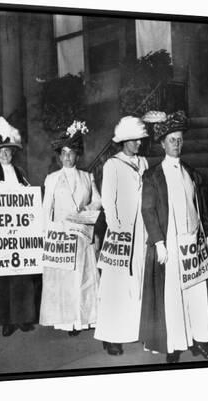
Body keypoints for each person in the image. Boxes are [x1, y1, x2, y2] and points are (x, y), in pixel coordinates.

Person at [140, 111, 208, 363]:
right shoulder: (153, 176)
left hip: (193, 244)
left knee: (197, 293)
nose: (177, 144)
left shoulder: (191, 173)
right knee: (173, 295)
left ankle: (202, 341)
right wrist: (159, 242)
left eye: (179, 139)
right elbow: (148, 210)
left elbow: (201, 208)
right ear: (162, 143)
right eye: (172, 140)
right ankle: (174, 345)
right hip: (172, 244)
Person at [39, 121, 102, 335]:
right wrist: (46, 235)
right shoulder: (52, 179)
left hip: (83, 235)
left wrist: (88, 207)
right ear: (59, 156)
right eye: (64, 153)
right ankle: (68, 322)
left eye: (71, 153)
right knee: (65, 281)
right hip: (61, 237)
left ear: (77, 155)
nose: (67, 157)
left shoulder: (87, 176)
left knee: (82, 279)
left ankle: (83, 319)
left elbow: (98, 201)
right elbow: (46, 209)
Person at [94, 116, 149, 355]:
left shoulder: (144, 162)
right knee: (115, 285)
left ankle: (132, 329)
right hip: (120, 233)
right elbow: (108, 200)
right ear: (123, 140)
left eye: (140, 140)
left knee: (136, 280)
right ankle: (111, 336)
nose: (138, 144)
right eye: (134, 140)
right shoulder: (112, 165)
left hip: (142, 232)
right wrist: (117, 228)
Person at [0, 117, 41, 337]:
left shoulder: (22, 173)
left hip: (21, 233)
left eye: (7, 151)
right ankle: (6, 319)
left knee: (22, 278)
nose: (4, 155)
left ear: (12, 152)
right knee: (1, 278)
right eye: (0, 152)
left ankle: (23, 318)